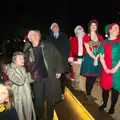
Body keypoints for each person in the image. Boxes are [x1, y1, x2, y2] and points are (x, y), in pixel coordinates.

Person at [24, 30, 63, 120]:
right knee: (38, 100)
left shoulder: (48, 45)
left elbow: (58, 56)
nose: (34, 36)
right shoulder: (27, 51)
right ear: (29, 39)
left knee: (50, 100)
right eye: (31, 35)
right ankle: (40, 116)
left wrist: (59, 70)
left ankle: (50, 117)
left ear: (38, 36)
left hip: (49, 77)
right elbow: (23, 64)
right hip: (37, 79)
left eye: (35, 34)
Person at [6, 52, 36, 120]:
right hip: (19, 99)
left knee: (28, 115)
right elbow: (20, 81)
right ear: (14, 60)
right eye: (20, 58)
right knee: (21, 116)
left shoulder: (22, 68)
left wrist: (33, 75)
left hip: (27, 97)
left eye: (23, 58)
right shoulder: (10, 70)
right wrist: (22, 70)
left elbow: (28, 80)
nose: (23, 60)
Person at [98, 23, 120, 114]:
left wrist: (115, 68)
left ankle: (112, 107)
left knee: (115, 90)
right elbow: (101, 57)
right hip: (105, 68)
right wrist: (106, 68)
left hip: (118, 69)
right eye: (115, 28)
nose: (118, 30)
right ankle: (105, 103)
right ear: (109, 30)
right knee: (105, 89)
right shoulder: (104, 42)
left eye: (118, 29)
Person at [80, 19, 104, 101]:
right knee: (89, 78)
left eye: (95, 25)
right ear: (89, 27)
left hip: (97, 58)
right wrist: (94, 58)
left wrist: (97, 58)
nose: (93, 27)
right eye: (92, 25)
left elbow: (102, 49)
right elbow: (87, 49)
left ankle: (89, 92)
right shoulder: (86, 36)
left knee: (94, 78)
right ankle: (88, 94)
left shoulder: (100, 37)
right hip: (89, 59)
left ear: (97, 27)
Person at [46, 23, 70, 99]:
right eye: (54, 27)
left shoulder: (64, 36)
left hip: (62, 61)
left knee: (63, 78)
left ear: (59, 28)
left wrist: (64, 57)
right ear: (52, 29)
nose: (56, 28)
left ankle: (62, 92)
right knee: (54, 79)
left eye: (57, 27)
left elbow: (67, 47)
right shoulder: (49, 38)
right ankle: (55, 93)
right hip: (53, 62)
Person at [68, 25, 85, 91]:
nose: (80, 31)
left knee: (81, 74)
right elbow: (70, 50)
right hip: (75, 60)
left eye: (81, 30)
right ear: (76, 31)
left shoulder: (85, 39)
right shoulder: (72, 40)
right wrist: (70, 58)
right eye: (79, 30)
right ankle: (77, 88)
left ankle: (75, 85)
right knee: (76, 74)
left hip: (83, 60)